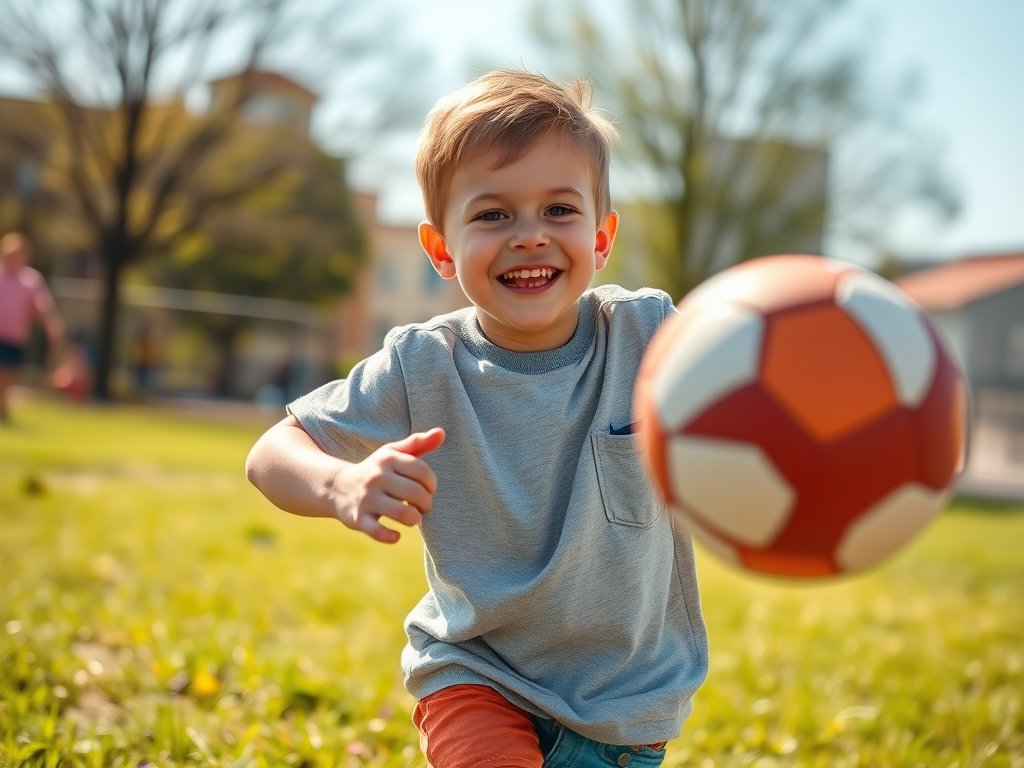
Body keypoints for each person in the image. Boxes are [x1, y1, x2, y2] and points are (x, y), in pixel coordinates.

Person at [245, 69, 708, 768]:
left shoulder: (650, 336)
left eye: (559, 210)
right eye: (493, 215)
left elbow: (754, 381)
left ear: (602, 235)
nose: (529, 236)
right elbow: (271, 453)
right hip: (476, 674)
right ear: (440, 249)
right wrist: (340, 486)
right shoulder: (422, 364)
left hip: (625, 702)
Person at [0, 232, 64, 423]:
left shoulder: (31, 280)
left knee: (10, 374)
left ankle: (2, 406)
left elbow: (42, 307)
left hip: (16, 336)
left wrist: (51, 324)